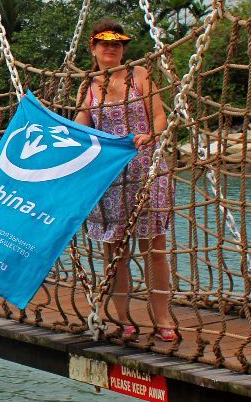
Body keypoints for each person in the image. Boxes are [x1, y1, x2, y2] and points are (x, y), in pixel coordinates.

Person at [74, 19, 178, 342]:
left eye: (116, 44)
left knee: (155, 248)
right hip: (112, 176)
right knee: (115, 249)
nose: (111, 48)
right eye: (104, 43)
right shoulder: (87, 86)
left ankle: (162, 318)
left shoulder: (139, 75)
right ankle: (124, 316)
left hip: (147, 169)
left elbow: (159, 115)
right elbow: (81, 124)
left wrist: (151, 134)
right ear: (93, 48)